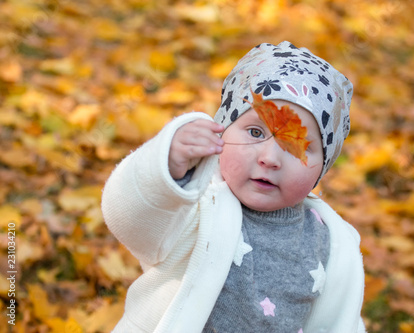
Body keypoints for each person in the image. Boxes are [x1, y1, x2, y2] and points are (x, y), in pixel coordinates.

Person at [102, 41, 365, 333]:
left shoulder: (330, 242)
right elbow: (129, 218)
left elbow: (340, 321)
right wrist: (165, 169)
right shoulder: (196, 202)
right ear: (222, 130)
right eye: (255, 132)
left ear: (322, 169)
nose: (269, 158)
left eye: (295, 146)